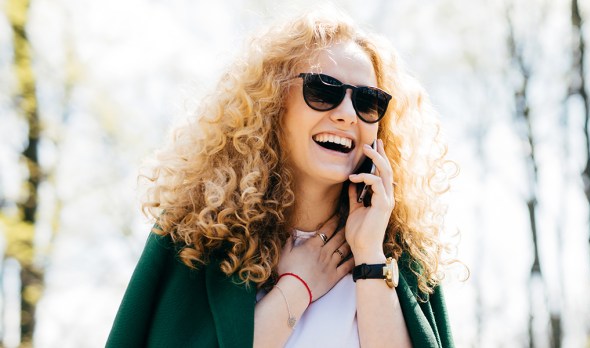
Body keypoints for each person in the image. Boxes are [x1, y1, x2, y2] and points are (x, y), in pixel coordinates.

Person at [107, 8, 455, 348]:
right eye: (323, 91)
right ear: (274, 103)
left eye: (367, 102)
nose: (348, 115)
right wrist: (297, 287)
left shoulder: (397, 255)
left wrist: (369, 256)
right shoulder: (194, 239)